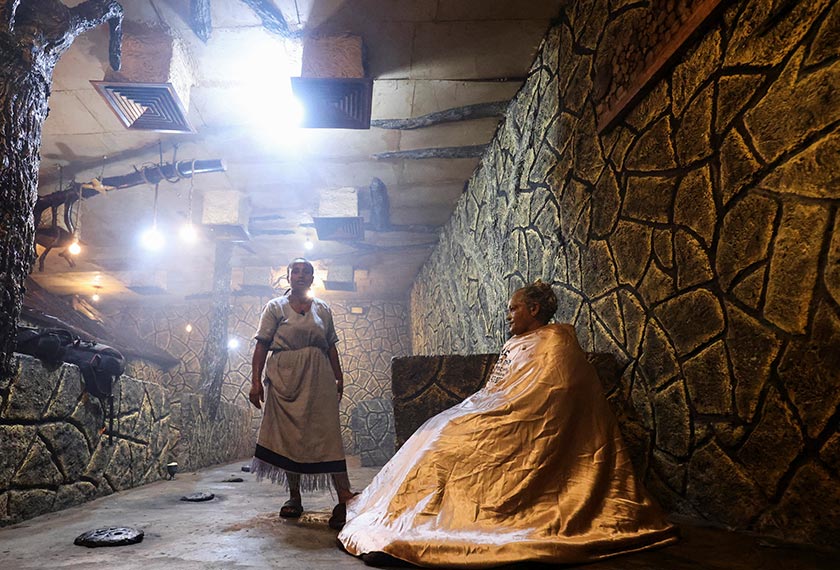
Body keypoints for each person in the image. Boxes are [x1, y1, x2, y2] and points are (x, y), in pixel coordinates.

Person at [338, 281, 678, 567]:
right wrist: (483, 408)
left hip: (527, 426)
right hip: (498, 411)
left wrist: (502, 412)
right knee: (438, 429)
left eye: (514, 308)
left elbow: (554, 390)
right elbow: (500, 388)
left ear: (533, 309)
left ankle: (433, 524)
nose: (508, 315)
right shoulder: (517, 343)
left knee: (447, 441)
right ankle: (401, 513)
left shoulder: (556, 343)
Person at [249, 258, 354, 529]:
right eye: (295, 271)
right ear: (288, 277)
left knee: (328, 433)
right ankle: (294, 497)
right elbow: (261, 345)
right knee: (290, 437)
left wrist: (339, 376)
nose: (300, 275)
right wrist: (255, 381)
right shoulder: (275, 307)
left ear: (312, 278)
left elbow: (331, 346)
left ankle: (344, 495)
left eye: (306, 271)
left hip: (319, 377)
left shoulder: (323, 309)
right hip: (285, 378)